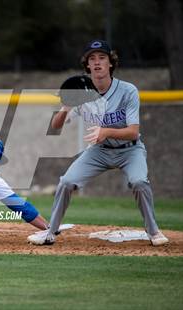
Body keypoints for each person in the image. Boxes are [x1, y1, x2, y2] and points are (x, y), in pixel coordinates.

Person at [36, 39, 169, 246]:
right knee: (66, 182)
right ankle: (50, 232)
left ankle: (153, 231)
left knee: (139, 182)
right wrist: (64, 107)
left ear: (110, 63)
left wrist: (106, 131)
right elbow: (55, 126)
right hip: (99, 151)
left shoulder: (128, 91)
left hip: (129, 151)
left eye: (102, 58)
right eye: (92, 58)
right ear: (87, 65)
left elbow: (134, 133)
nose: (97, 62)